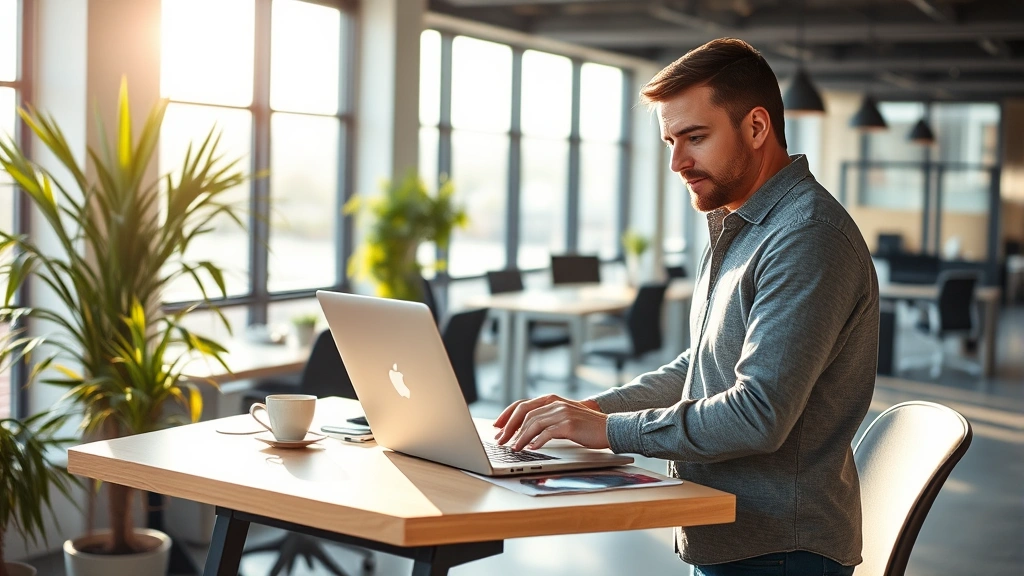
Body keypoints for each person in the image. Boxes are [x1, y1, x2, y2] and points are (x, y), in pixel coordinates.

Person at [493, 37, 879, 576]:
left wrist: (605, 433)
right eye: (670, 141)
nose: (677, 162)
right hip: (733, 536)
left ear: (756, 127)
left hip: (779, 551)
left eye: (694, 137)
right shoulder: (740, 225)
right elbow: (699, 369)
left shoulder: (806, 236)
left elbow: (757, 415)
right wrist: (590, 412)